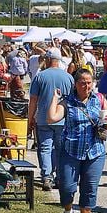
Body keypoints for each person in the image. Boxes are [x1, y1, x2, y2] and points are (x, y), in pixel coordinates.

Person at [48, 69, 107, 213]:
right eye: (82, 82)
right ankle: (68, 211)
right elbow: (52, 118)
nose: (86, 86)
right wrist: (55, 98)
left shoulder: (100, 100)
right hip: (71, 151)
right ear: (75, 84)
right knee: (66, 187)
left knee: (89, 188)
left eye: (89, 82)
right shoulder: (67, 102)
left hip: (95, 152)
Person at [28, 48, 74, 191]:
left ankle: (46, 177)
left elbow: (33, 100)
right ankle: (60, 177)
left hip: (43, 119)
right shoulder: (68, 77)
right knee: (61, 150)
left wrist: (30, 118)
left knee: (45, 148)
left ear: (48, 60)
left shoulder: (40, 77)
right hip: (62, 119)